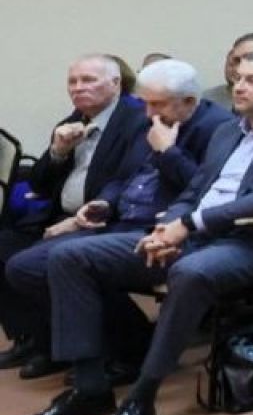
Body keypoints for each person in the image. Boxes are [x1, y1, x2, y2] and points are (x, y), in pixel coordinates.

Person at [12, 51, 253, 415]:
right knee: (69, 256)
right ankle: (90, 388)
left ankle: (143, 396)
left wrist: (191, 223)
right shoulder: (227, 133)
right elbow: (194, 190)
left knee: (191, 271)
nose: (239, 86)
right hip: (196, 234)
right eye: (238, 78)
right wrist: (169, 227)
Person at [2, 60, 226, 386]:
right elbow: (124, 176)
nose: (147, 113)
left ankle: (106, 365)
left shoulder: (217, 129)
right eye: (146, 103)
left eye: (156, 104)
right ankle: (128, 341)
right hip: (121, 221)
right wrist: (104, 203)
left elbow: (207, 192)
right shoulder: (150, 119)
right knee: (25, 266)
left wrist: (168, 152)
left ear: (189, 101)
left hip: (167, 231)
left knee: (69, 260)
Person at [0, 56, 151, 376]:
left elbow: (130, 181)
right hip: (60, 216)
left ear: (116, 84)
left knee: (43, 263)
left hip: (106, 219)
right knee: (4, 246)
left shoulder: (137, 121)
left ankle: (131, 343)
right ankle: (42, 341)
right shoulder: (73, 120)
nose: (78, 88)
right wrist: (58, 151)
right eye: (73, 81)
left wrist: (81, 218)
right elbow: (39, 184)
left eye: (89, 80)